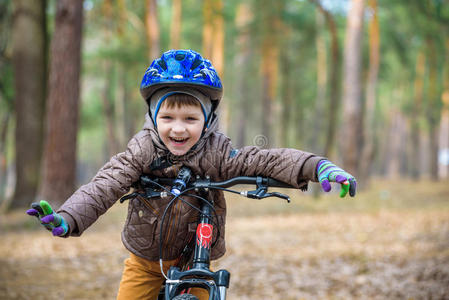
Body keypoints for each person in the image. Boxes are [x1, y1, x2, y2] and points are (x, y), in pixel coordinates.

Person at [27, 49, 356, 299]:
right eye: (168, 117)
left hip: (196, 262)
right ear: (153, 117)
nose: (178, 128)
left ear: (208, 119)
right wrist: (68, 217)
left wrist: (316, 166)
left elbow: (263, 160)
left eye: (190, 118)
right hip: (146, 261)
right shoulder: (142, 150)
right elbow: (106, 183)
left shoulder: (216, 151)